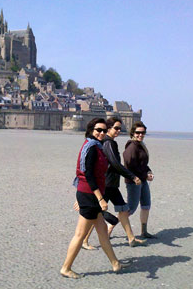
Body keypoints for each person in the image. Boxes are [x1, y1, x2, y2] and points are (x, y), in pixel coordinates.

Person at [60, 118, 129, 279]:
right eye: (99, 130)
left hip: (89, 194)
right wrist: (100, 199)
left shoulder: (96, 146)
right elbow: (88, 175)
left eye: (104, 131)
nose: (102, 133)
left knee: (103, 231)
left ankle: (115, 263)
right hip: (90, 196)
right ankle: (66, 267)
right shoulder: (91, 147)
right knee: (80, 235)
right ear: (91, 130)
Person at [81, 117, 146, 249]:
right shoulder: (108, 142)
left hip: (112, 184)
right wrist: (132, 176)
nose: (118, 130)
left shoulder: (109, 142)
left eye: (119, 128)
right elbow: (115, 164)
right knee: (96, 213)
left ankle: (131, 238)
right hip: (107, 184)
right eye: (115, 128)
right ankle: (84, 240)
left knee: (123, 209)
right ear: (109, 128)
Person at [123, 121, 157, 239]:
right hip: (134, 182)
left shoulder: (141, 145)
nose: (140, 135)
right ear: (132, 133)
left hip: (142, 180)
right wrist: (143, 176)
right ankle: (108, 229)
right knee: (130, 209)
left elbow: (142, 164)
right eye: (138, 132)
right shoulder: (131, 147)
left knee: (146, 205)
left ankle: (144, 231)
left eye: (143, 133)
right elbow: (129, 166)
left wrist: (148, 172)